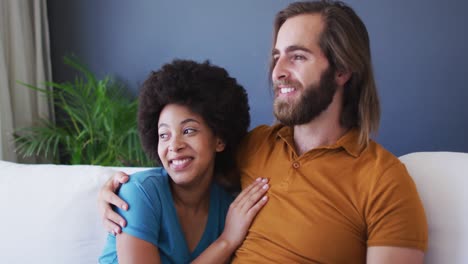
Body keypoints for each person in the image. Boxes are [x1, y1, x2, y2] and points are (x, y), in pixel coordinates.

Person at [98, 1, 428, 263]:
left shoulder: (384, 181)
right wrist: (113, 189)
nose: (278, 72)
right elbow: (183, 173)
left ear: (342, 70)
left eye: (297, 56)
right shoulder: (253, 147)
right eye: (276, 57)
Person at [98, 59, 269, 263]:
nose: (174, 145)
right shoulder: (139, 193)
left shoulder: (229, 209)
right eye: (164, 135)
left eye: (188, 131)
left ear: (220, 139)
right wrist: (226, 241)